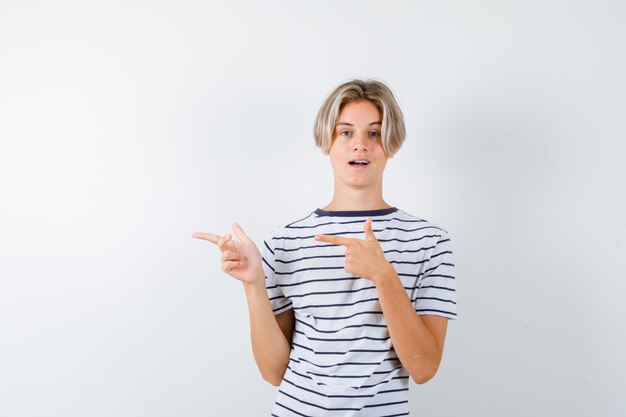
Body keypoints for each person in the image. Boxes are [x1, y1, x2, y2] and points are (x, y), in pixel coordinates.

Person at [192, 79, 457, 416]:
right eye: (346, 132)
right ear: (326, 141)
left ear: (391, 142)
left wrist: (384, 277)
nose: (360, 144)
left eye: (374, 133)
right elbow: (274, 373)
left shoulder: (430, 242)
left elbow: (424, 368)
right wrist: (254, 284)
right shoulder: (285, 241)